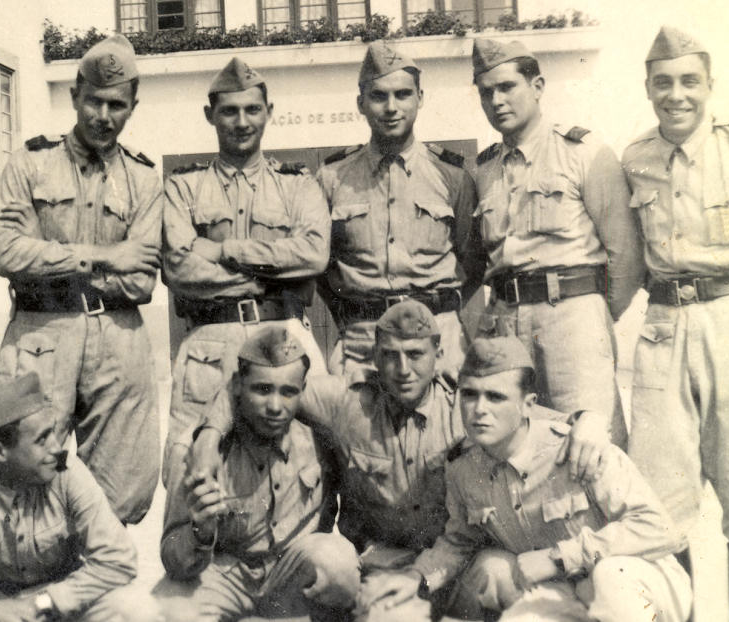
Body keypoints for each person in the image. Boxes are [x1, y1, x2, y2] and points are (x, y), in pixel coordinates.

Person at [189, 302, 609, 620]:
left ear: (439, 355)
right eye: (390, 354)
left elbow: (542, 419)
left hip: (456, 562)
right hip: (385, 566)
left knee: (503, 575)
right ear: (374, 356)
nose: (403, 368)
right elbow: (250, 386)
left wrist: (588, 421)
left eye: (415, 354)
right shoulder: (346, 403)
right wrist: (209, 437)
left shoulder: (465, 409)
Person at [622, 25, 729, 622]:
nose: (677, 95)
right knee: (660, 500)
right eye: (664, 83)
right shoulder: (635, 159)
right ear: (647, 88)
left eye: (689, 81)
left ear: (710, 85)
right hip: (664, 326)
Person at [366, 337, 692, 622]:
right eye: (470, 395)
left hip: (640, 581)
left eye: (495, 397)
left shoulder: (576, 449)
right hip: (565, 589)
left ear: (528, 405)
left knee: (611, 577)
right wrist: (417, 577)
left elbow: (659, 528)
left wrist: (559, 557)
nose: (479, 410)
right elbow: (459, 540)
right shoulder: (464, 468)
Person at [0, 34, 161, 525]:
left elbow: (141, 281)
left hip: (118, 339)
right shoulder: (30, 163)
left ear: (132, 108)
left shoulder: (144, 179)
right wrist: (104, 257)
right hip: (41, 334)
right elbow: (7, 253)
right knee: (19, 473)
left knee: (122, 491)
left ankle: (97, 569)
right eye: (93, 101)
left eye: (116, 105)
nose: (103, 116)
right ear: (73, 96)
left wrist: (48, 263)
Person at [471, 38, 646, 450]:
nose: (496, 101)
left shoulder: (583, 152)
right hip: (506, 321)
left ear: (537, 87)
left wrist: (590, 314)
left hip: (572, 322)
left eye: (507, 87)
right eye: (486, 92)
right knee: (517, 447)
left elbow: (626, 256)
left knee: (589, 445)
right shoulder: (484, 169)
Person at [161, 57, 330, 475]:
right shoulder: (183, 187)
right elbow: (179, 269)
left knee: (304, 465)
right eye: (230, 111)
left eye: (252, 109)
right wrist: (271, 277)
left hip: (285, 338)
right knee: (192, 467)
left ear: (269, 112)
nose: (242, 122)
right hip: (210, 346)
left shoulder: (298, 184)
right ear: (210, 115)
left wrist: (223, 250)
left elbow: (313, 254)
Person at [0, 373, 160, 622]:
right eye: (42, 439)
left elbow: (118, 559)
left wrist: (44, 602)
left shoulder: (67, 474)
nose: (56, 447)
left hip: (57, 603)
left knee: (134, 607)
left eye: (53, 432)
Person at [158, 327, 359, 621]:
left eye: (288, 392)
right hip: (226, 575)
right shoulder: (196, 451)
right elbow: (172, 557)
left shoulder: (319, 434)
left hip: (291, 575)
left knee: (338, 563)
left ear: (303, 390)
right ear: (237, 386)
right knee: (169, 608)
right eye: (262, 390)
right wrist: (200, 531)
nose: (275, 406)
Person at [316, 40, 483, 378]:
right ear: (361, 103)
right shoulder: (332, 177)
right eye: (379, 96)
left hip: (439, 338)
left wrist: (441, 310)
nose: (391, 107)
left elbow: (473, 261)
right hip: (363, 341)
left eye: (403, 94)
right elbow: (320, 266)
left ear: (420, 98)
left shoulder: (452, 176)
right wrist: (352, 314)